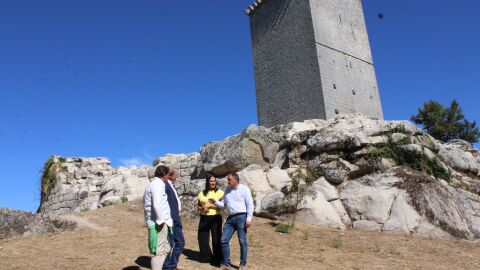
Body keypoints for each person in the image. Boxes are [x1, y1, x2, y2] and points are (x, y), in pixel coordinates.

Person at [209, 173, 254, 270]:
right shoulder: (227, 190)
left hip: (242, 217)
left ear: (235, 180)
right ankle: (226, 264)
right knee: (223, 240)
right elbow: (223, 204)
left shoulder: (245, 189)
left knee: (242, 241)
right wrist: (215, 202)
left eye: (229, 179)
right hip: (230, 218)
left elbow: (250, 204)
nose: (227, 181)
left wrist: (249, 219)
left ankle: (242, 264)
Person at [143, 165, 173, 270]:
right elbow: (157, 204)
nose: (169, 177)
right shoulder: (157, 185)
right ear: (164, 175)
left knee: (164, 250)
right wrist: (161, 221)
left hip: (159, 222)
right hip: (158, 224)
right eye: (168, 174)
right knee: (159, 252)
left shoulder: (153, 184)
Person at [197, 174, 224, 267]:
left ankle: (217, 259)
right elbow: (198, 206)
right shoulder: (202, 193)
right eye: (211, 181)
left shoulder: (220, 192)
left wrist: (210, 206)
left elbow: (222, 206)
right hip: (204, 218)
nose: (213, 183)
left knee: (216, 238)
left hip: (215, 217)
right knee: (202, 238)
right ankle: (207, 257)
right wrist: (202, 208)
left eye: (214, 181)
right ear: (207, 182)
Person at [163, 168, 185, 270]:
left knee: (180, 242)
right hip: (171, 219)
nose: (177, 177)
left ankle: (172, 264)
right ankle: (168, 266)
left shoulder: (171, 186)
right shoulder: (165, 186)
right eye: (175, 175)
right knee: (170, 243)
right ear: (170, 176)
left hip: (176, 218)